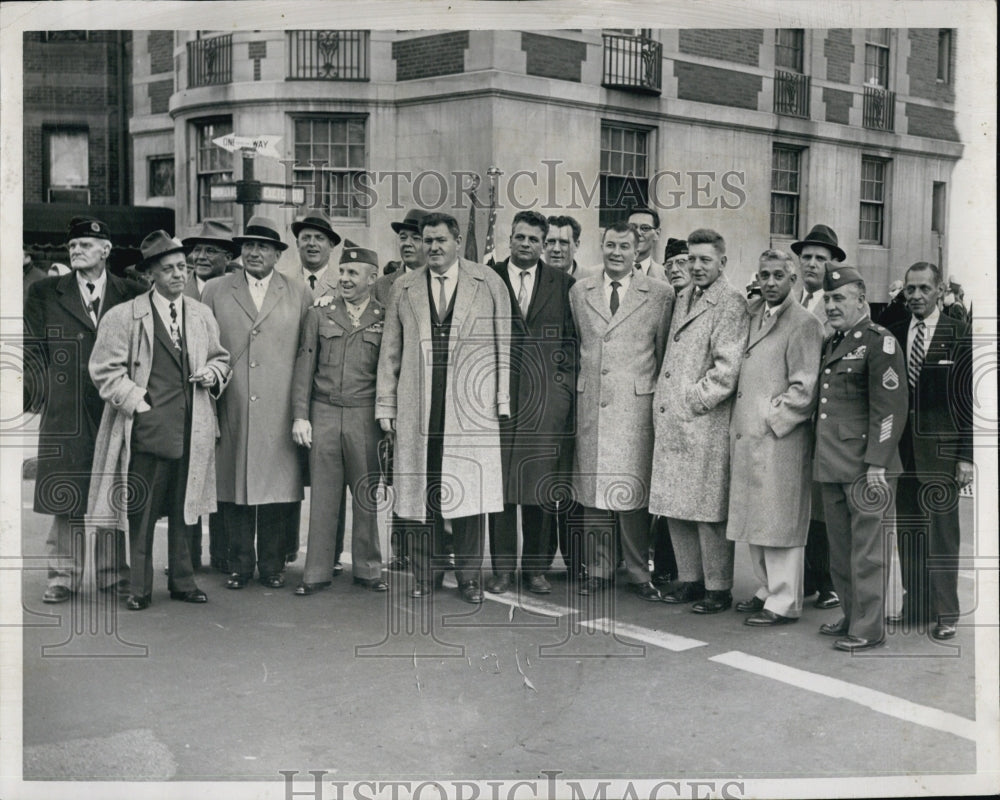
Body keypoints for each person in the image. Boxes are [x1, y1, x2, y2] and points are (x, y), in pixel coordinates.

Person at [86, 231, 230, 610]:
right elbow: (104, 371)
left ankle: (183, 582)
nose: (178, 275)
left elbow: (220, 357)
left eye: (182, 267)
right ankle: (139, 589)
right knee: (142, 512)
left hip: (191, 428)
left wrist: (213, 374)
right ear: (150, 274)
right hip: (145, 431)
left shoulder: (200, 314)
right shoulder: (125, 316)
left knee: (186, 508)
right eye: (168, 270)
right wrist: (138, 402)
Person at [376, 212, 511, 604]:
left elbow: (505, 343)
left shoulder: (487, 283)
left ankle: (470, 577)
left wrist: (501, 399)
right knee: (422, 491)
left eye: (440, 240)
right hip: (419, 404)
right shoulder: (404, 287)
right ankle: (426, 573)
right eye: (427, 241)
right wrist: (386, 402)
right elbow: (391, 351)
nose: (433, 247)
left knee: (467, 493)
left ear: (456, 241)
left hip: (471, 408)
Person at [23, 216, 142, 604]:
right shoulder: (44, 292)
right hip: (66, 407)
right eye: (72, 245)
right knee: (66, 493)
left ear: (105, 250)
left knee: (113, 489)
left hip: (114, 406)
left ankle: (113, 575)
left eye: (86, 245)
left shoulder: (131, 293)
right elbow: (32, 351)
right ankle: (62, 576)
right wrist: (42, 399)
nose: (76, 250)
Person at [200, 216, 312, 591]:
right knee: (234, 488)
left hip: (280, 409)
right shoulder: (215, 290)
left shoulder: (298, 293)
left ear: (278, 254)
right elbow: (205, 347)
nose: (254, 252)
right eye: (248, 245)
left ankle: (272, 565)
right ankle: (239, 565)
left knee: (278, 490)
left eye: (263, 246)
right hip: (231, 404)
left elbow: (305, 356)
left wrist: (300, 412)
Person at [569, 221, 673, 600]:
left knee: (632, 492)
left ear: (636, 250)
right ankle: (597, 569)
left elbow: (662, 354)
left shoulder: (660, 294)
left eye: (624, 247)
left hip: (635, 407)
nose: (616, 252)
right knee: (595, 491)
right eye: (610, 245)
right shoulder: (580, 291)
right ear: (601, 247)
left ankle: (636, 570)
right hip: (592, 403)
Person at [652, 228, 749, 613]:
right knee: (676, 506)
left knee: (708, 511)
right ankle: (690, 580)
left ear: (722, 262)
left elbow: (728, 369)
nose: (695, 266)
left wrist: (693, 400)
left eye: (704, 259)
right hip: (675, 417)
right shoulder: (683, 297)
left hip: (704, 420)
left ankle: (718, 588)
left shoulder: (730, 302)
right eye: (691, 259)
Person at [727, 250, 824, 626]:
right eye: (764, 275)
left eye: (777, 276)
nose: (769, 283)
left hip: (780, 439)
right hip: (750, 436)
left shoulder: (804, 323)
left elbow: (805, 388)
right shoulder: (753, 314)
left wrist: (772, 418)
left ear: (792, 279)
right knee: (757, 518)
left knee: (781, 521)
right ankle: (767, 589)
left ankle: (784, 601)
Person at [814, 266, 907, 651]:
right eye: (828, 298)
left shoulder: (878, 342)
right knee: (841, 551)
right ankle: (852, 616)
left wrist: (877, 463)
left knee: (868, 553)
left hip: (867, 467)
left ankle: (869, 629)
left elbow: (890, 408)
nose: (831, 305)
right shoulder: (835, 341)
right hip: (834, 463)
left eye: (840, 298)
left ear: (861, 299)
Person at [486, 211, 577, 596]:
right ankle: (504, 570)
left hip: (544, 406)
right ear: (509, 239)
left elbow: (572, 347)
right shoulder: (488, 279)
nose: (526, 244)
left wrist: (561, 395)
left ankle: (535, 570)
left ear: (544, 244)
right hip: (498, 401)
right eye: (519, 237)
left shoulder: (564, 285)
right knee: (502, 491)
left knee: (540, 490)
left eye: (533, 239)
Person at [292, 244, 387, 595]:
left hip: (365, 415)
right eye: (343, 273)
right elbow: (304, 366)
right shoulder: (320, 314)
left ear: (371, 278)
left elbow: (388, 372)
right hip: (325, 411)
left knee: (365, 495)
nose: (344, 279)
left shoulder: (384, 316)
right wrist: (300, 415)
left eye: (353, 274)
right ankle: (315, 572)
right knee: (324, 495)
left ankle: (368, 569)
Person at [886, 262, 973, 640]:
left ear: (939, 290)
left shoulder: (959, 333)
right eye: (910, 289)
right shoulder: (896, 331)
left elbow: (969, 401)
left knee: (941, 535)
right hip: (903, 452)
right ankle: (916, 606)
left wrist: (966, 457)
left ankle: (945, 613)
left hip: (941, 452)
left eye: (924, 288)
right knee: (910, 531)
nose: (917, 296)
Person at [791, 223, 846, 611]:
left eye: (820, 258)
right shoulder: (792, 299)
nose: (812, 264)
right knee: (797, 499)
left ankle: (829, 582)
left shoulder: (836, 305)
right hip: (793, 415)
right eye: (807, 256)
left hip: (824, 419)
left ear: (833, 264)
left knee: (824, 503)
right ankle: (807, 578)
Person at [180, 219, 239, 570]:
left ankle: (224, 553)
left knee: (222, 477)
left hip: (226, 392)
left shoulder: (235, 289)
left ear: (227, 256)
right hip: (185, 397)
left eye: (210, 250)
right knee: (187, 475)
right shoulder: (178, 286)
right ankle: (185, 556)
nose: (200, 256)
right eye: (196, 249)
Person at [627, 207, 667, 281]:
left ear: (657, 234)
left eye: (645, 228)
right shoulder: (606, 271)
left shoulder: (665, 275)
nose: (638, 233)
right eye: (632, 227)